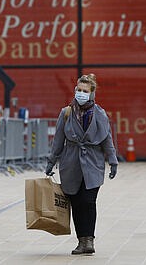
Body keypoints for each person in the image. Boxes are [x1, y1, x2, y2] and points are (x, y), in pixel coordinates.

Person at [45, 73, 118, 255]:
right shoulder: (66, 112)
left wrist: (113, 161)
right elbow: (58, 140)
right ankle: (81, 241)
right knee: (76, 203)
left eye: (85, 90)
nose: (81, 93)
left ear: (92, 93)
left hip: (93, 163)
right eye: (78, 89)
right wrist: (51, 162)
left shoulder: (100, 114)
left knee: (89, 201)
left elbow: (107, 139)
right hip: (71, 163)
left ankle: (89, 240)